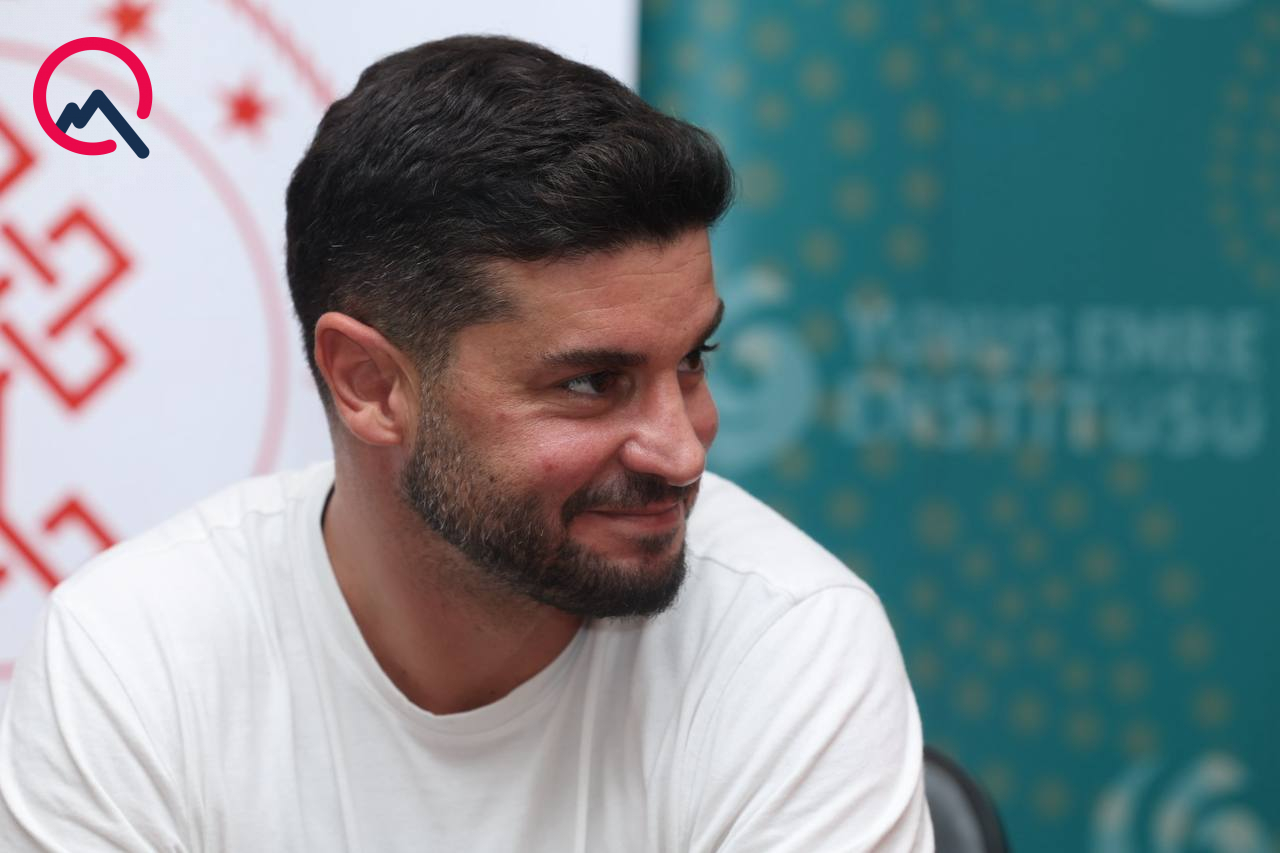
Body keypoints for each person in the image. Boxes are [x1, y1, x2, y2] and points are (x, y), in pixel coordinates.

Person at [0, 34, 934, 851]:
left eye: (693, 360)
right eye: (591, 383)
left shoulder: (790, 644)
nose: (681, 451)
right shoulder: (135, 659)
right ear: (370, 384)